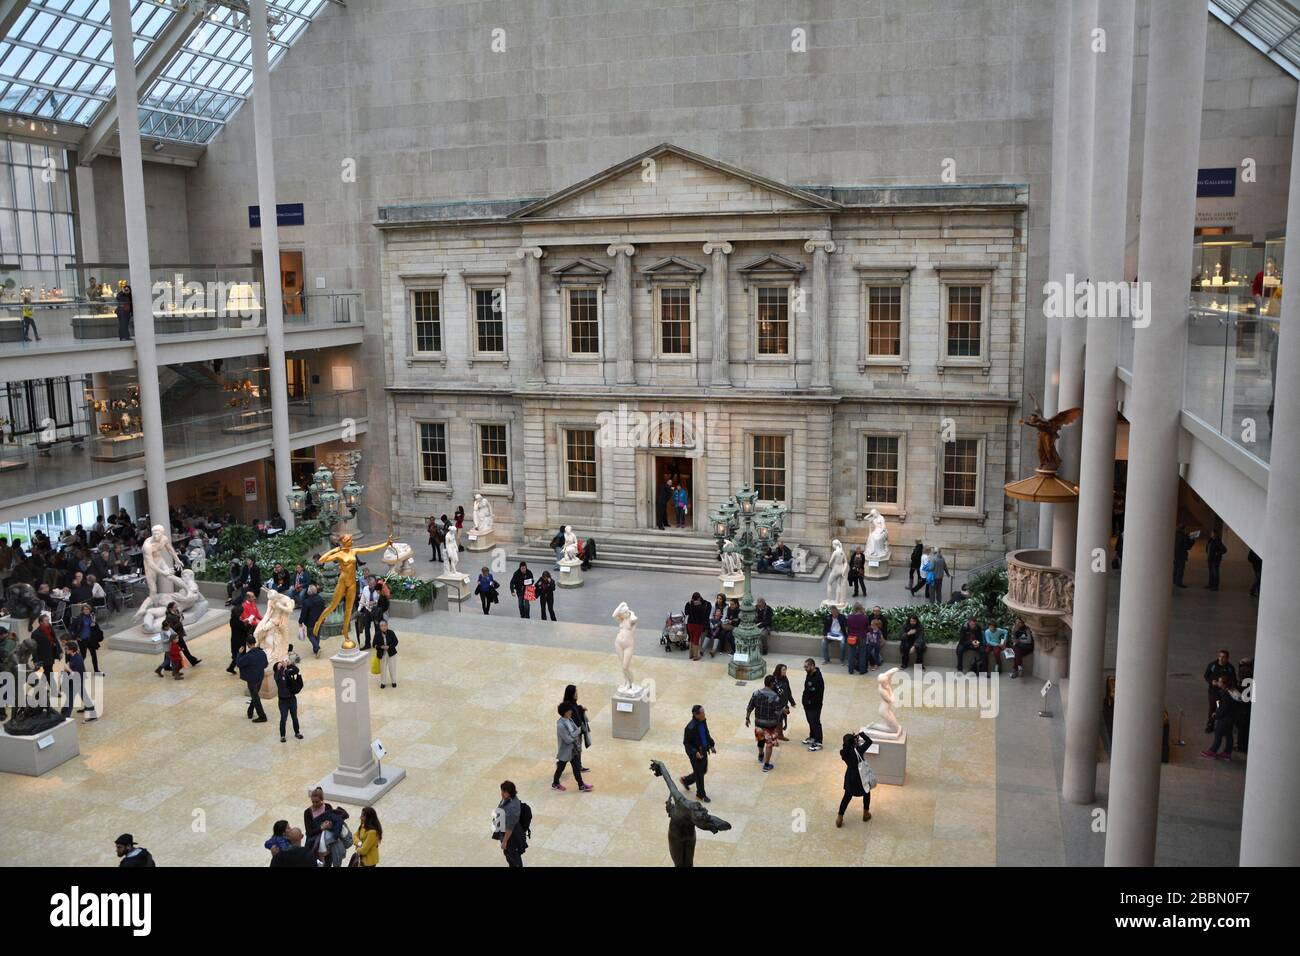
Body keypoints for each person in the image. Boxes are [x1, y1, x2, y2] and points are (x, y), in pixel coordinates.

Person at [745, 674, 788, 773]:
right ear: (772, 684)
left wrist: (747, 718)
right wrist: (783, 710)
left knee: (760, 739)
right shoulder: (775, 697)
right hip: (771, 725)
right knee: (769, 744)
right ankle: (766, 765)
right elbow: (777, 711)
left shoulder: (756, 693)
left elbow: (750, 707)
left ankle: (760, 755)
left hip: (759, 722)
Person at [303, 787, 350, 867]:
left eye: (317, 802)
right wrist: (321, 828)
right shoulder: (307, 813)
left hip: (329, 844)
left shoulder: (327, 807)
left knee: (328, 863)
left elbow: (334, 822)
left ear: (322, 799)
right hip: (315, 845)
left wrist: (330, 825)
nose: (314, 804)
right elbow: (309, 833)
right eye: (313, 802)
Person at [553, 702, 593, 792]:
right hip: (565, 751)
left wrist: (574, 734)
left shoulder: (569, 719)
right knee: (560, 768)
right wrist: (577, 732)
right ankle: (555, 783)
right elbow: (568, 739)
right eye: (569, 710)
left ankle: (581, 785)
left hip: (573, 749)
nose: (571, 712)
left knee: (576, 767)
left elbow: (574, 731)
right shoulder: (560, 725)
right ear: (565, 712)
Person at [836, 732, 874, 827]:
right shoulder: (859, 750)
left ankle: (839, 818)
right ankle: (866, 814)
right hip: (861, 777)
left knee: (847, 797)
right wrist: (861, 734)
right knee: (866, 792)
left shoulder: (843, 752)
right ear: (854, 742)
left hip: (850, 777)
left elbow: (850, 748)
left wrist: (854, 740)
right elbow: (869, 741)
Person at [681, 704, 716, 802]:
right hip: (696, 754)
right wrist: (694, 752)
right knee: (700, 774)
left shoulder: (703, 721)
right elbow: (686, 743)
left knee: (703, 770)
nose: (704, 714)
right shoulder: (690, 728)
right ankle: (700, 795)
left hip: (703, 750)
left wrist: (711, 745)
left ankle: (686, 780)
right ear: (696, 715)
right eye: (703, 712)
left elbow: (706, 734)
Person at [1202, 676, 1240, 760]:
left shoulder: (1226, 695)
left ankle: (1213, 751)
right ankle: (1227, 752)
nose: (1218, 682)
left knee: (1218, 734)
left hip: (1224, 719)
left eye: (1220, 682)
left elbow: (1222, 708)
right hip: (1231, 718)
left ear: (1224, 684)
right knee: (1228, 735)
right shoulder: (1231, 692)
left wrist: (1216, 714)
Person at [59, 640, 96, 718]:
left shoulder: (77, 659)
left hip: (77, 680)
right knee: (82, 695)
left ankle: (65, 715)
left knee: (71, 697)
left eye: (66, 649)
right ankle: (89, 708)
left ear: (71, 650)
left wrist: (67, 669)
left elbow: (74, 673)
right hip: (77, 679)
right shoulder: (74, 656)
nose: (65, 650)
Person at [237, 635, 269, 723]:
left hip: (252, 679)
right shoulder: (262, 653)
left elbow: (239, 663)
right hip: (260, 677)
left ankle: (262, 716)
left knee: (255, 697)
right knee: (255, 696)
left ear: (247, 644)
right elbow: (266, 664)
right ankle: (250, 711)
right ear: (254, 642)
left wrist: (239, 653)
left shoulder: (248, 656)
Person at [1203, 650, 1236, 733]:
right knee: (1212, 708)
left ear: (1227, 658)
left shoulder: (1230, 668)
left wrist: (1227, 686)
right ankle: (1210, 724)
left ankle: (1221, 726)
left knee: (1222, 708)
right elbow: (1206, 676)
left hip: (1224, 693)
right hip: (1214, 692)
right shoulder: (1212, 665)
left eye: (1223, 657)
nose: (1221, 659)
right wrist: (1212, 682)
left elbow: (1234, 680)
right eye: (1220, 656)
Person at [496, 780, 527, 867]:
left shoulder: (511, 809)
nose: (501, 793)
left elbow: (510, 828)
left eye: (504, 792)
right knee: (510, 856)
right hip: (506, 830)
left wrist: (504, 842)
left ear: (509, 793)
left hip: (511, 836)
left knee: (512, 856)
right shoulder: (510, 798)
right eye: (502, 791)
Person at [563, 684, 592, 772]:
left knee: (577, 750)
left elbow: (576, 710)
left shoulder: (572, 703)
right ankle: (576, 767)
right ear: (572, 693)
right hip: (574, 732)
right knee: (575, 751)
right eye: (576, 692)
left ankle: (578, 766)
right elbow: (572, 716)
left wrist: (580, 708)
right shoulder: (569, 705)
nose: (577, 694)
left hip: (577, 731)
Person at [274, 657, 304, 742]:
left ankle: (297, 732)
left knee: (294, 716)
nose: (282, 665)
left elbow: (296, 670)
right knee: (284, 718)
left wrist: (290, 664)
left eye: (282, 664)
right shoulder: (277, 675)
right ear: (277, 669)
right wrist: (283, 667)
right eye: (280, 665)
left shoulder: (287, 672)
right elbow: (279, 676)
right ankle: (282, 735)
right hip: (283, 701)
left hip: (292, 699)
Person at [71, 603, 103, 674]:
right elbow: (72, 629)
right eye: (84, 609)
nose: (86, 611)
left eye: (87, 609)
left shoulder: (92, 617)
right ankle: (77, 670)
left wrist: (94, 624)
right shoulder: (78, 618)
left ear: (90, 610)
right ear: (82, 610)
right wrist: (76, 637)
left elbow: (96, 629)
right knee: (83, 656)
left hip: (90, 639)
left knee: (94, 654)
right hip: (82, 640)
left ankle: (96, 670)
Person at [802, 658, 825, 751]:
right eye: (804, 666)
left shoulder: (818, 678)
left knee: (815, 722)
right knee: (810, 721)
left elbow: (818, 694)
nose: (805, 668)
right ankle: (812, 737)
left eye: (806, 667)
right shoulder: (809, 674)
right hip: (807, 704)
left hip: (815, 705)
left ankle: (818, 741)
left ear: (812, 666)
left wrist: (810, 702)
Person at [298, 583, 325, 656]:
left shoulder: (307, 602)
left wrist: (300, 621)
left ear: (309, 592)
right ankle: (315, 650)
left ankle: (317, 647)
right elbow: (324, 609)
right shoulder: (321, 599)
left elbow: (303, 613)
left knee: (310, 635)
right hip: (319, 620)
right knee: (317, 634)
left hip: (310, 622)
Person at [771, 663, 796, 740]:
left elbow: (788, 691)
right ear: (779, 670)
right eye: (783, 670)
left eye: (785, 670)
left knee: (781, 720)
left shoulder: (785, 678)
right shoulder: (773, 680)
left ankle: (780, 735)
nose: (785, 671)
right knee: (775, 722)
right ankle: (774, 739)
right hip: (776, 705)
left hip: (784, 704)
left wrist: (792, 702)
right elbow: (771, 694)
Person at [844, 602, 870, 675]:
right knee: (862, 654)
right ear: (861, 608)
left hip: (852, 637)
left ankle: (850, 670)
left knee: (851, 654)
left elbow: (848, 627)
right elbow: (866, 628)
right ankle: (862, 670)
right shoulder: (865, 617)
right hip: (862, 637)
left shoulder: (850, 617)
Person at [684, 591, 709, 661]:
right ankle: (696, 656)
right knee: (696, 640)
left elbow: (686, 612)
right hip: (698, 625)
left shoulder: (688, 604)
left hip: (689, 624)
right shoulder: (700, 606)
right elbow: (703, 616)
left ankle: (690, 655)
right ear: (698, 598)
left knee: (691, 638)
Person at [374, 619, 398, 689]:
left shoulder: (391, 632)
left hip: (391, 653)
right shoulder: (377, 634)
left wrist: (389, 646)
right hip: (382, 654)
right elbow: (374, 644)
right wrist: (380, 647)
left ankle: (393, 681)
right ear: (379, 627)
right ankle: (383, 682)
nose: (383, 627)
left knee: (392, 668)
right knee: (383, 669)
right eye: (381, 626)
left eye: (385, 625)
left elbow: (396, 642)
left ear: (387, 626)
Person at [704, 593, 726, 658]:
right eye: (718, 598)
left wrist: (717, 624)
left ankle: (713, 651)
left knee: (718, 633)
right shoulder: (714, 605)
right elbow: (710, 615)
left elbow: (724, 617)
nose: (719, 600)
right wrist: (711, 623)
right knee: (709, 632)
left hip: (720, 623)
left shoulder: (725, 606)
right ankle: (702, 649)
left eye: (720, 599)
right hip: (713, 622)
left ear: (723, 600)